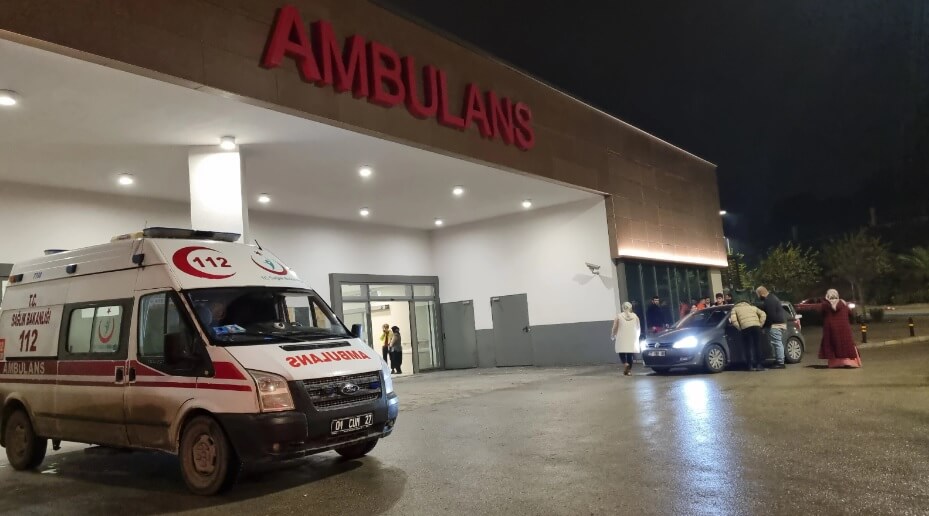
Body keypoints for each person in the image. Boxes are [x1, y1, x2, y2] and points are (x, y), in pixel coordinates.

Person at [819, 289, 862, 368]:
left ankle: (835, 363)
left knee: (832, 344)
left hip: (830, 329)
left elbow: (822, 315)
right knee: (846, 344)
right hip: (844, 328)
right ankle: (848, 362)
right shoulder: (843, 304)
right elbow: (850, 314)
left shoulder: (825, 305)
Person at [729, 300, 767, 371]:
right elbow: (763, 314)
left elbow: (733, 320)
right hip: (756, 326)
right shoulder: (752, 307)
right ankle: (759, 365)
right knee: (757, 346)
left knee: (748, 347)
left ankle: (750, 366)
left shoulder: (735, 309)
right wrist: (760, 324)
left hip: (745, 328)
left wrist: (739, 328)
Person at [756, 286, 787, 369]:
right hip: (779, 324)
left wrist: (764, 326)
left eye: (758, 295)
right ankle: (778, 360)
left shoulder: (769, 301)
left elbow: (770, 316)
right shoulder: (772, 298)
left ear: (761, 293)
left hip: (775, 325)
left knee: (777, 343)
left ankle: (780, 362)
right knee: (777, 343)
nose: (758, 297)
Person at [612, 302, 641, 376]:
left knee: (621, 351)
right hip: (632, 337)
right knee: (630, 354)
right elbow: (638, 327)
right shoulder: (635, 316)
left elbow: (615, 327)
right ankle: (629, 371)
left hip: (621, 337)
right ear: (630, 308)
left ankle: (625, 363)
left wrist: (613, 334)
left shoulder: (619, 316)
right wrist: (637, 336)